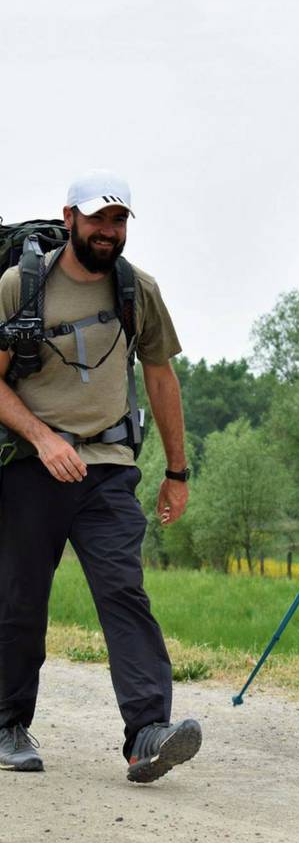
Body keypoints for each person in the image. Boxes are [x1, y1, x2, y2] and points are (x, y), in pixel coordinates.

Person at [0, 171, 200, 783]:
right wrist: (41, 437)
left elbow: (161, 378)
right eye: (97, 219)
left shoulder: (138, 289)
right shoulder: (19, 286)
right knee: (20, 599)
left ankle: (147, 733)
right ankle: (7, 724)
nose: (108, 231)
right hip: (30, 467)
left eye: (118, 221)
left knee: (124, 593)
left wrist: (176, 469)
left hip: (110, 468)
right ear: (69, 218)